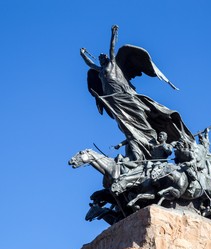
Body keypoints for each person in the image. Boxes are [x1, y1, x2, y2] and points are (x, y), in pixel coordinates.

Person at [80, 25, 193, 161]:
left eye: (103, 57)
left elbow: (112, 49)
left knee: (139, 115)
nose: (102, 59)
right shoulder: (100, 71)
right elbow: (90, 64)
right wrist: (83, 54)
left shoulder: (113, 64)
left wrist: (113, 34)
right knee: (124, 122)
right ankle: (138, 141)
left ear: (108, 59)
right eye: (100, 59)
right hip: (114, 100)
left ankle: (151, 138)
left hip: (125, 95)